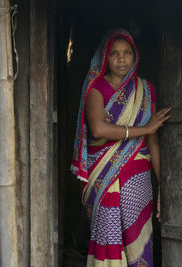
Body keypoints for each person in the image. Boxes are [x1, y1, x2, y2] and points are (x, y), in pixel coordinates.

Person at [71, 28, 170, 267]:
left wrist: (163, 186)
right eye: (114, 53)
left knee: (137, 239)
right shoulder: (96, 89)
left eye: (127, 52)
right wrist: (145, 129)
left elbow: (153, 141)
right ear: (105, 58)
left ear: (135, 55)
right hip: (103, 178)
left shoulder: (146, 90)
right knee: (109, 238)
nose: (121, 58)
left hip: (138, 178)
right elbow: (98, 129)